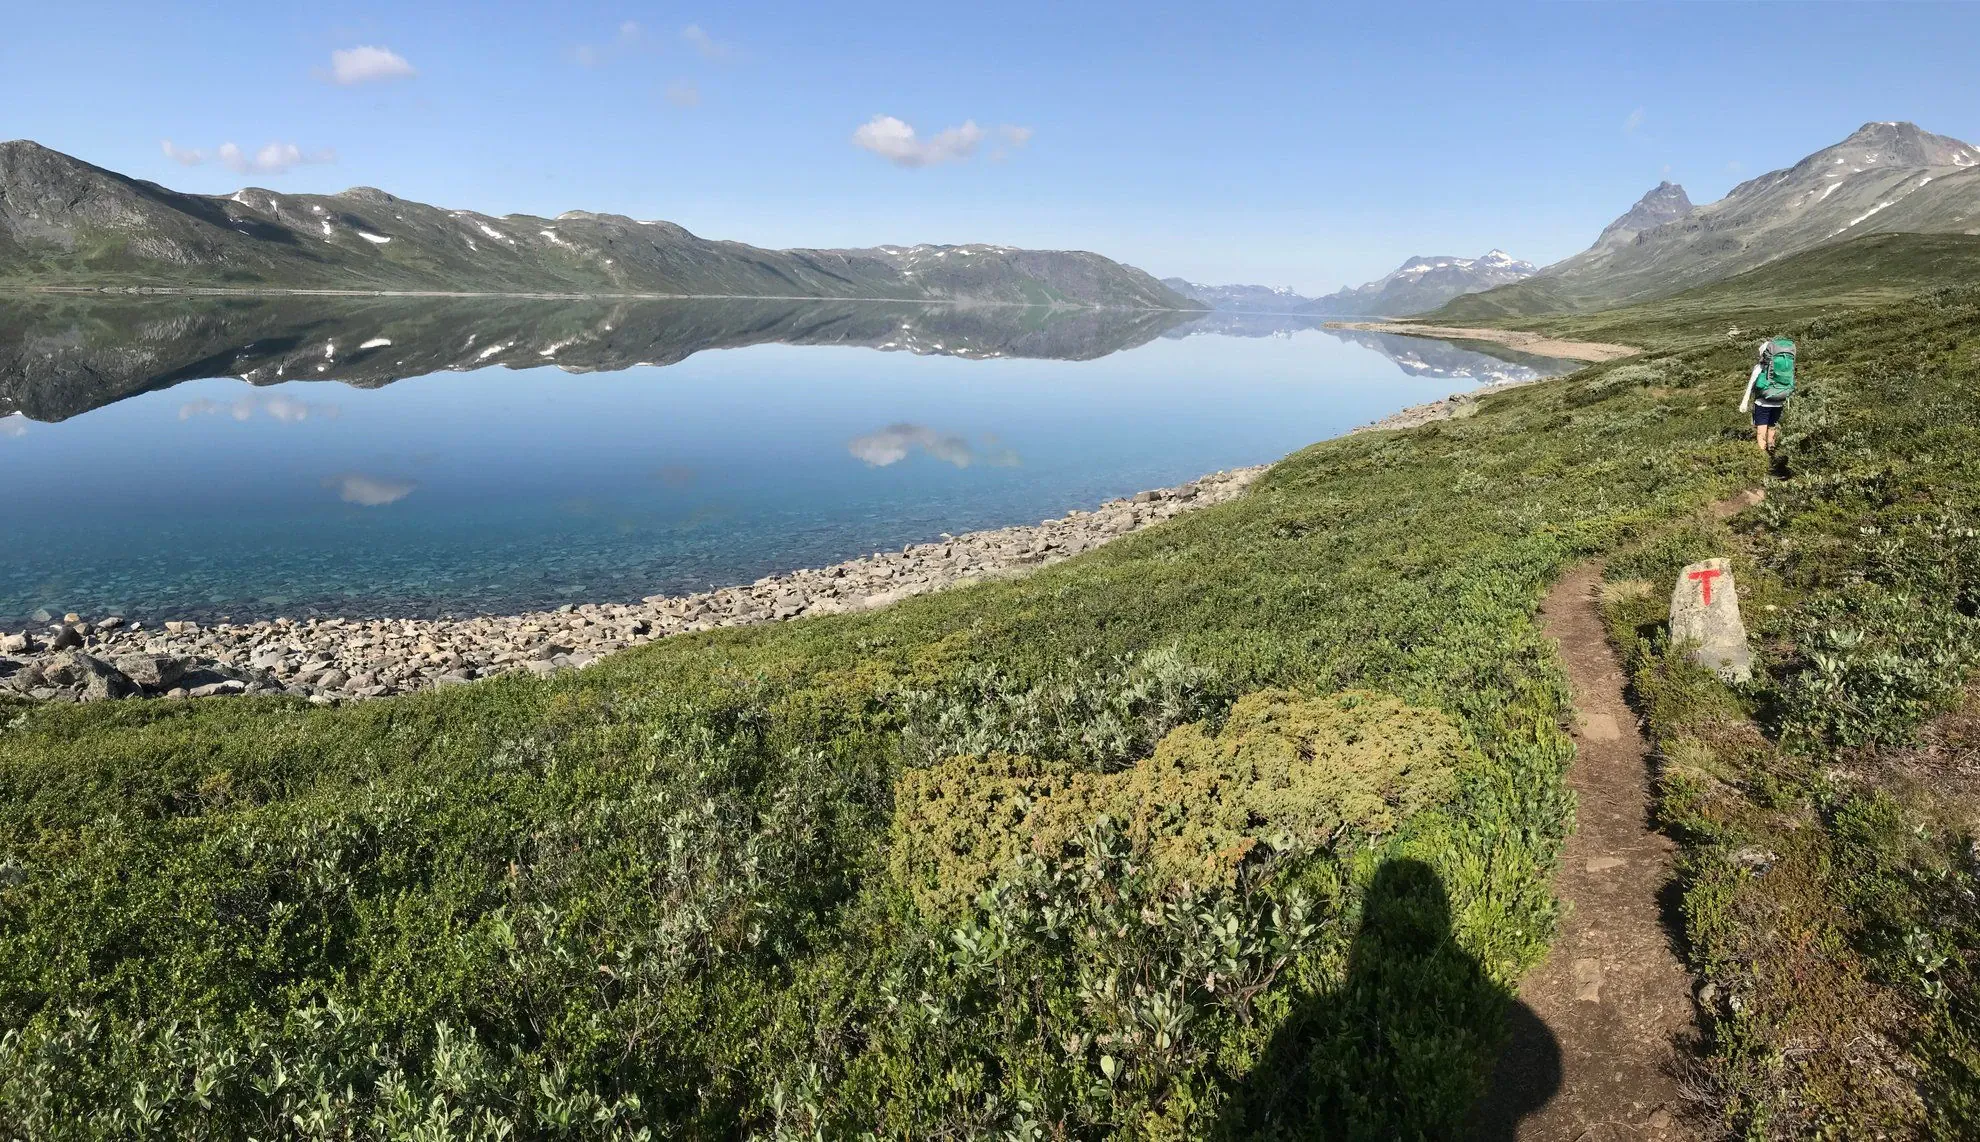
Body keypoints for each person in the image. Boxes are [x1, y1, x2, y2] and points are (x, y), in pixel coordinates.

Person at [1741, 336, 1796, 452]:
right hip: (1779, 401)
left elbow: (1750, 385)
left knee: (1761, 429)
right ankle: (1772, 450)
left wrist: (1744, 403)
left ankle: (1761, 455)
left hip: (1762, 403)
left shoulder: (1760, 367)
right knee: (1772, 427)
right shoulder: (1783, 366)